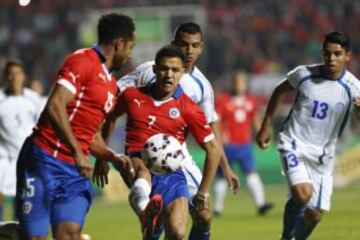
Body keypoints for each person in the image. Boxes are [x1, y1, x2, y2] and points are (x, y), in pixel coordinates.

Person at [15, 13, 135, 240]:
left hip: (74, 172)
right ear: (119, 43)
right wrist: (78, 152)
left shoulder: (110, 84)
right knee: (34, 237)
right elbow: (55, 105)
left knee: (70, 235)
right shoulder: (83, 61)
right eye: (130, 47)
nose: (130, 54)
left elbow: (89, 136)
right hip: (43, 159)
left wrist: (112, 157)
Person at [115, 22, 240, 240]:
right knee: (162, 213)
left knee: (204, 215)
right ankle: (153, 222)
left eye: (194, 46)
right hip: (142, 149)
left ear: (201, 47)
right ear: (174, 44)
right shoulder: (148, 70)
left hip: (177, 153)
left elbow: (210, 128)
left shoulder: (202, 86)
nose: (188, 51)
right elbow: (117, 92)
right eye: (183, 44)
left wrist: (225, 166)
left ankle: (154, 224)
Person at [256, 31, 360, 240]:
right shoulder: (303, 74)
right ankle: (286, 237)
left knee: (314, 216)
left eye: (337, 54)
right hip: (292, 143)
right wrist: (265, 125)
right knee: (302, 194)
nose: (331, 58)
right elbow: (279, 90)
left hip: (323, 156)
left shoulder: (354, 88)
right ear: (322, 53)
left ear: (347, 56)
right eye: (327, 53)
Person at [213, 71, 273, 216]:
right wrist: (219, 139)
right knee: (223, 176)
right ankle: (217, 208)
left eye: (242, 82)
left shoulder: (251, 101)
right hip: (228, 145)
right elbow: (216, 122)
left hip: (244, 144)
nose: (239, 85)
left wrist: (261, 136)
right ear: (232, 84)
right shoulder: (223, 100)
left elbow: (255, 121)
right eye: (237, 82)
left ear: (245, 84)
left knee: (251, 173)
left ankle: (261, 204)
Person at [0, 61, 42, 221]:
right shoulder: (1, 100)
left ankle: (22, 229)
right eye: (10, 74)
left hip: (29, 157)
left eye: (17, 73)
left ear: (23, 76)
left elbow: (43, 123)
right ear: (5, 77)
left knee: (25, 199)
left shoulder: (33, 99)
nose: (14, 78)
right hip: (6, 159)